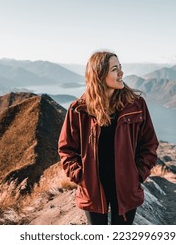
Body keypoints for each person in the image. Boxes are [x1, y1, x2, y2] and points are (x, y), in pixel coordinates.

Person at [58, 51, 159, 225]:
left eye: (120, 68)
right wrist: (80, 176)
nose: (121, 73)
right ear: (99, 75)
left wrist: (138, 174)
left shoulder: (136, 105)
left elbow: (149, 144)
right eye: (114, 69)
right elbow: (66, 149)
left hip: (126, 188)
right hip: (93, 189)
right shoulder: (78, 110)